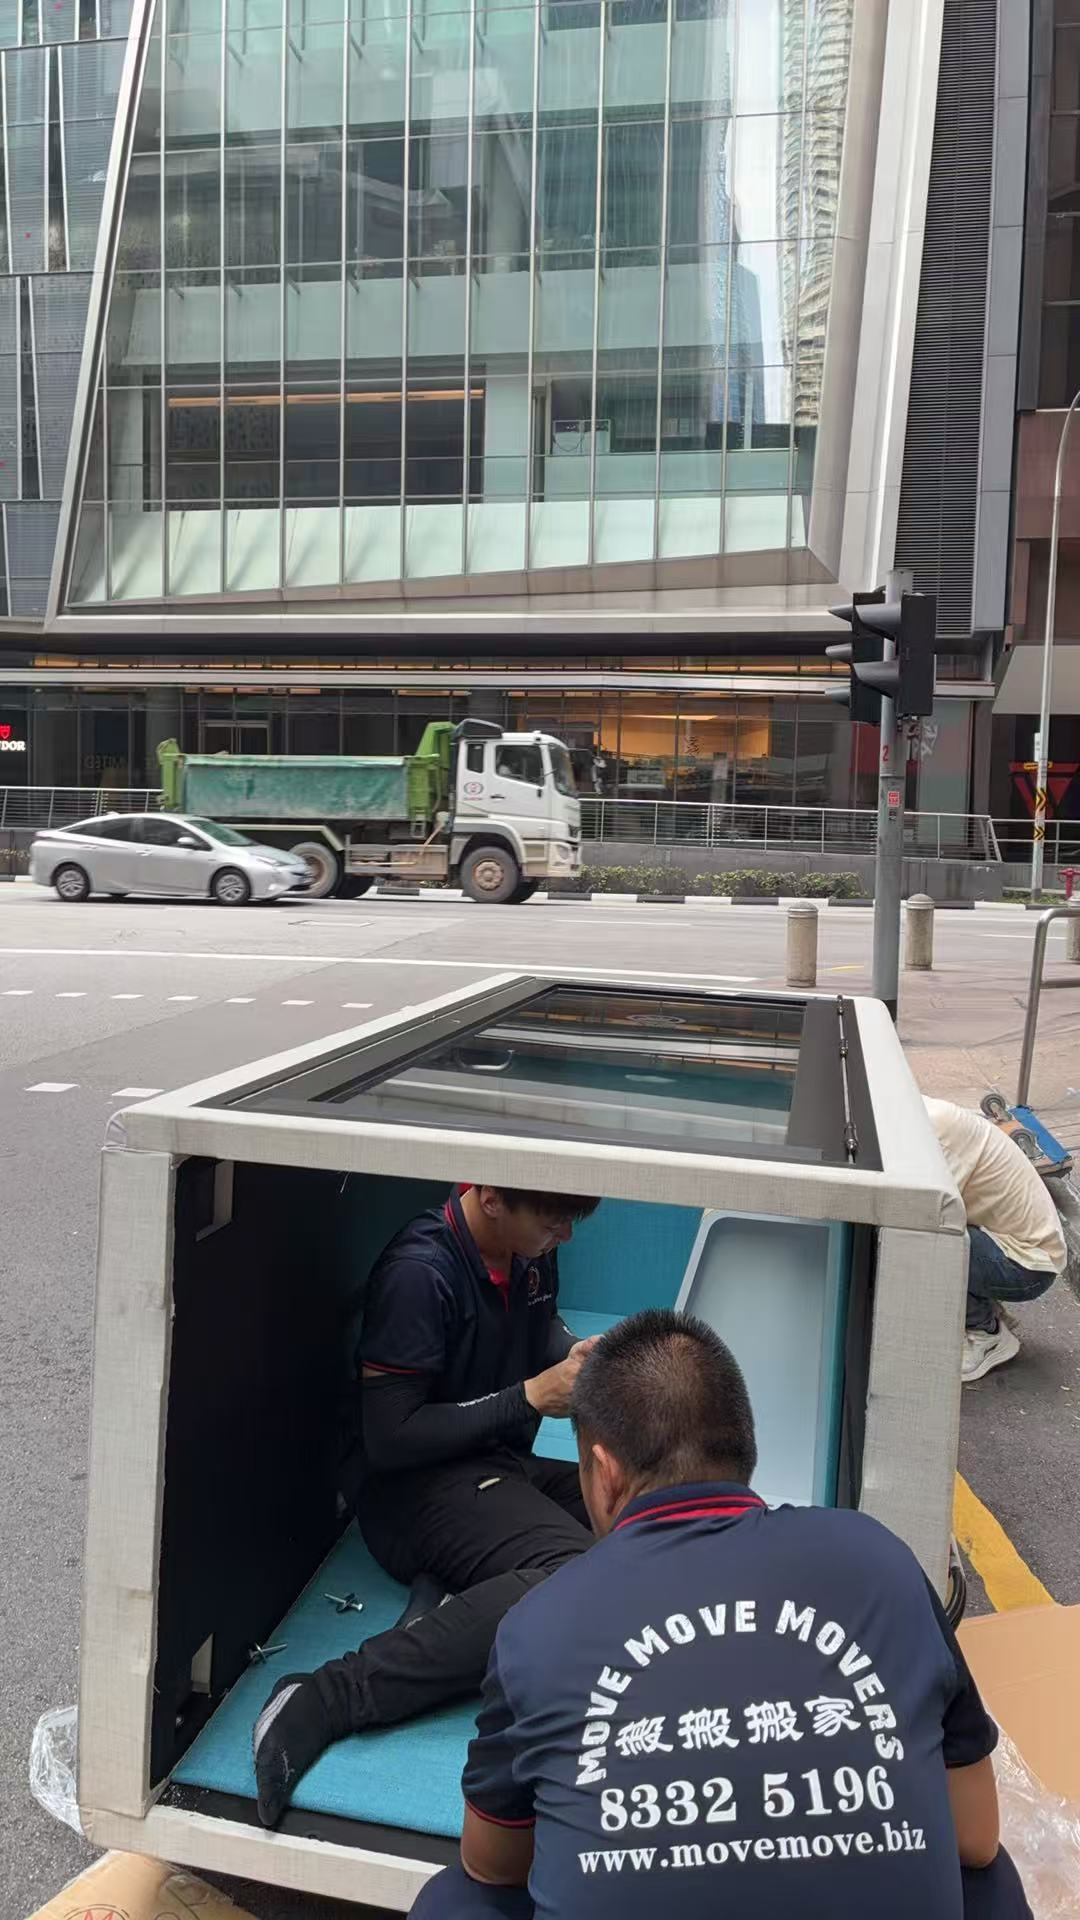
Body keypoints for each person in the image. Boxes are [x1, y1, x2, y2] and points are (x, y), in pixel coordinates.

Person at [413, 1309, 1031, 1920]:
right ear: (744, 1450)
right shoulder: (879, 1560)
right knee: (989, 1883)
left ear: (603, 1475)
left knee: (455, 1900)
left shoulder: (537, 1624)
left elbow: (493, 1863)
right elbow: (974, 1837)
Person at [253, 1181, 601, 1828]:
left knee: (636, 1523)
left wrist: (575, 1355)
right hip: (410, 1488)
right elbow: (390, 1439)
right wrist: (528, 1397)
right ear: (491, 1196)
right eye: (555, 1223)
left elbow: (539, 1322)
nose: (566, 1237)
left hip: (492, 1463)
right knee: (575, 1576)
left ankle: (458, 1600)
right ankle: (325, 1696)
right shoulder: (420, 1273)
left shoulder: (529, 1249)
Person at [925, 1098, 1066, 1383]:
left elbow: (930, 1211)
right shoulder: (924, 1113)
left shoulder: (935, 1133)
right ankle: (984, 1306)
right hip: (1014, 1246)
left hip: (1028, 1266)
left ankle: (984, 1331)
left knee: (929, 1241)